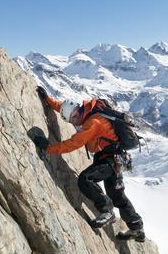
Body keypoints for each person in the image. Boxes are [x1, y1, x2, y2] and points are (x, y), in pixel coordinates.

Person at [34, 86, 145, 242]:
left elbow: (74, 143)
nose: (74, 121)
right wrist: (48, 100)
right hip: (116, 159)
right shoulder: (86, 112)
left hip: (109, 159)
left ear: (77, 112)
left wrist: (48, 148)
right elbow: (64, 108)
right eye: (71, 119)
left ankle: (107, 212)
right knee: (117, 196)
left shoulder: (92, 123)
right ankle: (137, 228)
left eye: (73, 118)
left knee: (85, 179)